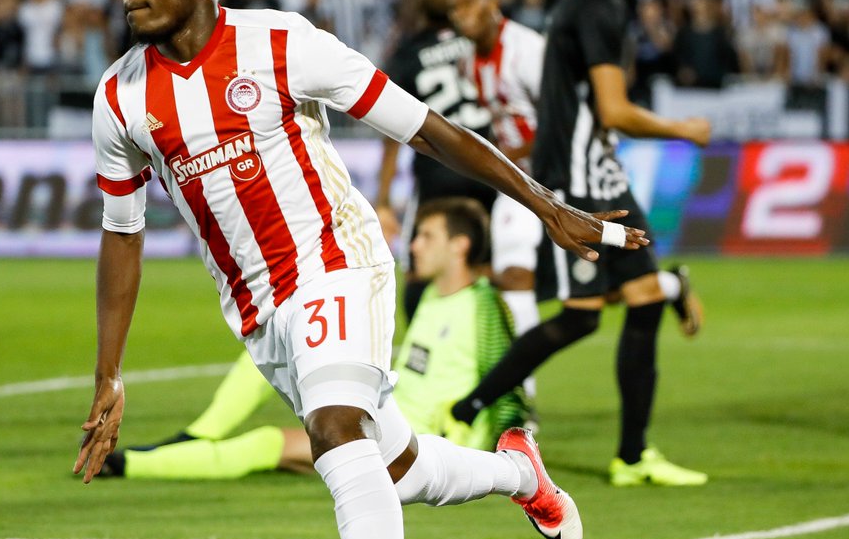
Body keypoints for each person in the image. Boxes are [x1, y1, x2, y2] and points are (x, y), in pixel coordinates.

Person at [73, 0, 648, 539]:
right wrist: (109, 374)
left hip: (338, 261)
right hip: (257, 308)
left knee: (334, 429)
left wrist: (546, 206)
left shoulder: (281, 44)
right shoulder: (119, 97)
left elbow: (427, 129)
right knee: (396, 469)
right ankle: (521, 473)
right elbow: (121, 236)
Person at [449, 0, 711, 489]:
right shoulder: (598, 7)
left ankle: (633, 456)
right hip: (577, 180)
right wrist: (683, 129)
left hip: (597, 168)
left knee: (643, 297)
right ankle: (466, 409)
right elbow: (614, 110)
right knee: (580, 318)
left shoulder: (598, 1)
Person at [97, 198, 531, 479]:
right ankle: (195, 435)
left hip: (413, 444)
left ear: (460, 246)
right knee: (276, 351)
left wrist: (474, 449)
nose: (414, 245)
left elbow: (508, 381)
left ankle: (134, 463)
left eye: (426, 236)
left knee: (268, 443)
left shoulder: (485, 306)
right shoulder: (429, 296)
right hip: (383, 417)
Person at [448, 0, 547, 413]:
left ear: (493, 3)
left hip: (559, 175)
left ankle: (667, 285)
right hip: (519, 183)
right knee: (514, 278)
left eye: (469, 3)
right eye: (454, 8)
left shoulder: (529, 51)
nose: (460, 14)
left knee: (598, 294)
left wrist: (505, 156)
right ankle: (523, 402)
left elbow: (562, 119)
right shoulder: (469, 62)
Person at [373, 0, 495, 322]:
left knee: (418, 269)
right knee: (483, 267)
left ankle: (423, 342)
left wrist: (383, 199)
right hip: (491, 169)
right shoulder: (478, 40)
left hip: (440, 171)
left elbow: (391, 135)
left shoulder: (409, 54)